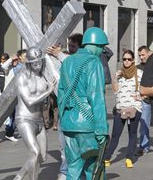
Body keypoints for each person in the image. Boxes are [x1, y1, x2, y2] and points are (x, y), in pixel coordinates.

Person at [57, 27, 109, 179]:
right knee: (94, 168)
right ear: (95, 45)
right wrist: (102, 129)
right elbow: (96, 96)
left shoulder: (67, 62)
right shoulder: (94, 62)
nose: (102, 51)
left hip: (68, 122)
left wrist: (63, 118)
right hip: (87, 124)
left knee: (73, 167)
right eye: (102, 47)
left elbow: (60, 94)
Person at [13, 47, 55, 180]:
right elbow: (29, 101)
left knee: (42, 156)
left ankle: (19, 176)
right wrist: (49, 91)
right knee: (35, 152)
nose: (38, 65)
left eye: (40, 62)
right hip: (24, 119)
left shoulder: (43, 76)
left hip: (39, 120)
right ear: (29, 63)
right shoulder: (22, 77)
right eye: (35, 63)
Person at [47, 33, 83, 180]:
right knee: (64, 144)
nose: (71, 48)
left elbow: (74, 63)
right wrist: (53, 55)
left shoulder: (83, 61)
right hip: (65, 110)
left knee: (77, 145)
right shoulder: (66, 59)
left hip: (79, 112)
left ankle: (76, 172)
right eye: (69, 46)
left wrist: (58, 54)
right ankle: (64, 171)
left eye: (73, 46)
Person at [104, 49, 143, 168]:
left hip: (134, 108)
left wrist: (142, 96)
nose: (126, 61)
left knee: (132, 135)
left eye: (129, 59)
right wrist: (115, 78)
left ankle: (129, 158)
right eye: (124, 59)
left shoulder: (139, 73)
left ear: (133, 60)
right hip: (120, 108)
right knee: (115, 135)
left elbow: (147, 87)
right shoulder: (119, 73)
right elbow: (115, 92)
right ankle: (107, 158)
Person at [2, 54, 23, 142]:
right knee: (10, 115)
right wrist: (10, 59)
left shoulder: (19, 68)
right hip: (9, 95)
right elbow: (3, 66)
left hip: (17, 94)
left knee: (14, 115)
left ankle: (10, 132)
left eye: (16, 60)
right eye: (13, 61)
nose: (15, 62)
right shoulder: (8, 69)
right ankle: (9, 133)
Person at [136, 46, 152, 156]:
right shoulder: (139, 67)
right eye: (140, 56)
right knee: (144, 123)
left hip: (149, 95)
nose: (141, 57)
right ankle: (144, 146)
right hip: (145, 99)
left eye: (143, 54)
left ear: (149, 52)